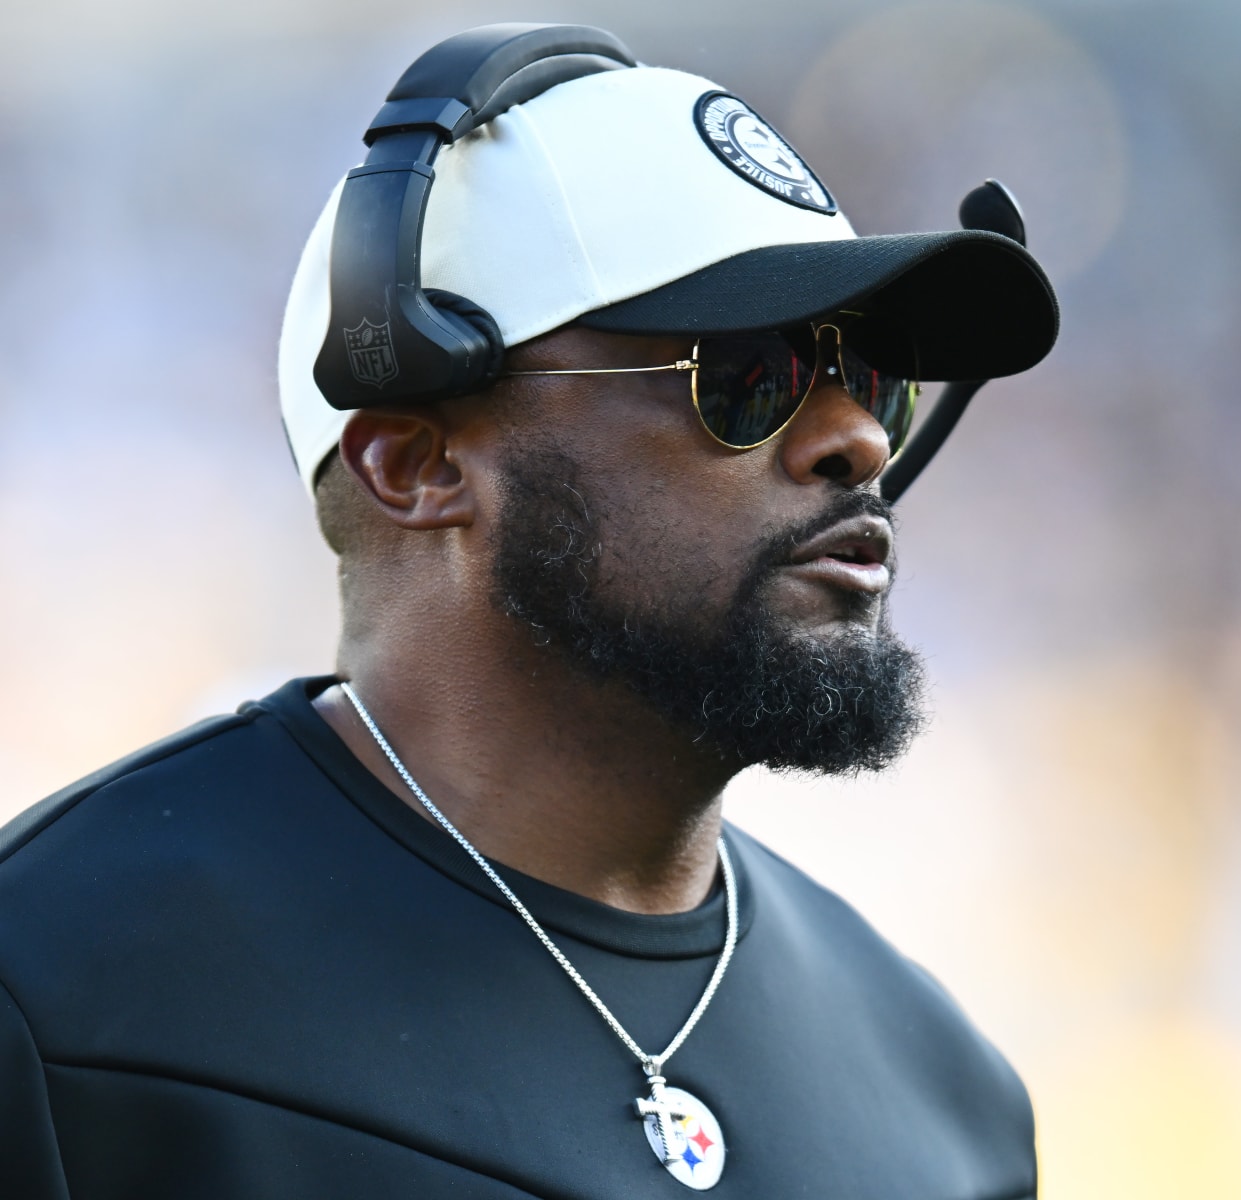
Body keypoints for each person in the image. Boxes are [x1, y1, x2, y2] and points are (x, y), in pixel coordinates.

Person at [0, 22, 1057, 1200]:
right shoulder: (57, 986)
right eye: (747, 374)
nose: (856, 440)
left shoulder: (948, 1098)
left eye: (872, 381)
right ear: (418, 464)